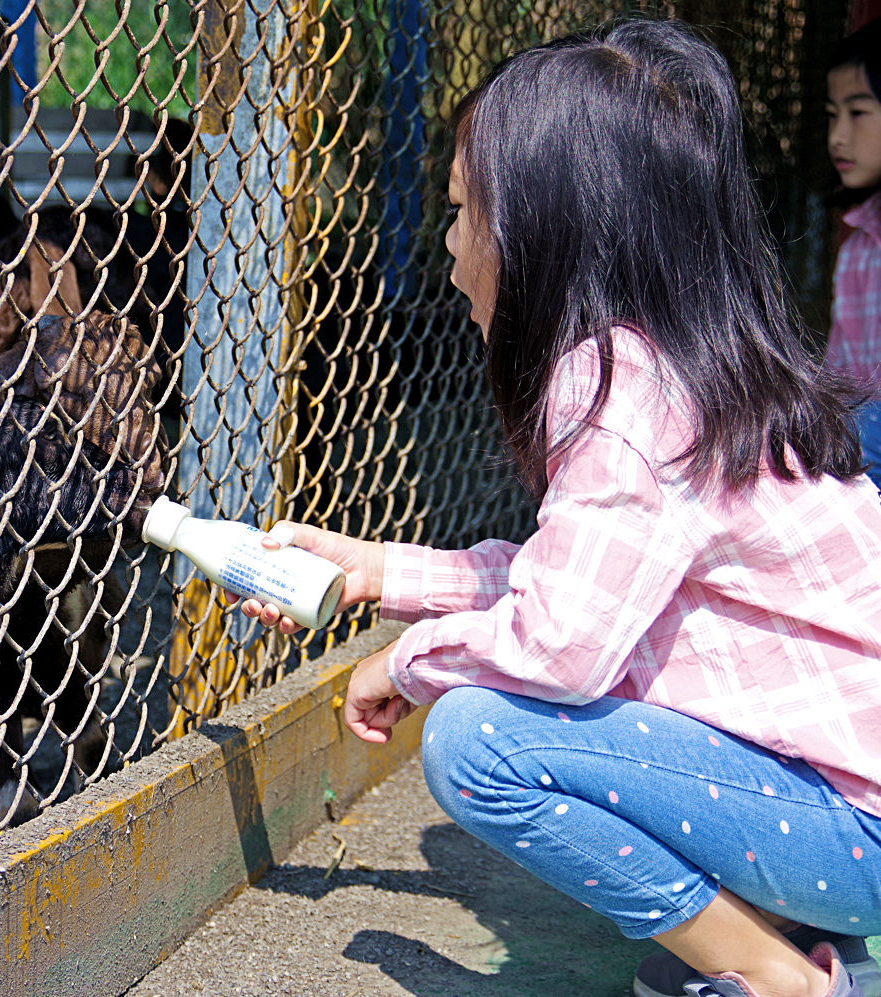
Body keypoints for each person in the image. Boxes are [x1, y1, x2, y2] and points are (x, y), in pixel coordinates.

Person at [238, 18, 881, 997]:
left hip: (857, 827)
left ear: (540, 228)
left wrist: (408, 663)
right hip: (848, 801)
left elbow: (559, 644)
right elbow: (565, 578)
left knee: (482, 739)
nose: (450, 245)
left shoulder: (618, 390)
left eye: (461, 212)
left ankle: (778, 977)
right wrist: (374, 572)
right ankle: (772, 935)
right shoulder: (674, 361)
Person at [827, 17, 881, 492]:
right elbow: (838, 373)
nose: (838, 137)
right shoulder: (858, 247)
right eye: (832, 115)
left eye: (858, 113)